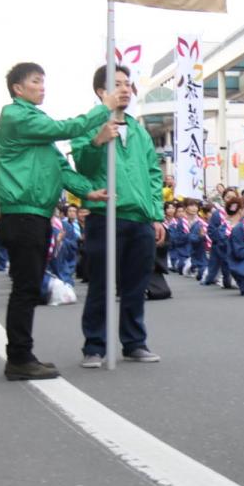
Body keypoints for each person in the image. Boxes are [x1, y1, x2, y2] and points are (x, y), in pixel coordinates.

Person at [0, 62, 114, 380]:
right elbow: (66, 128)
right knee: (25, 288)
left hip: (36, 214)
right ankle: (18, 358)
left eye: (44, 82)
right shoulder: (16, 116)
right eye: (36, 81)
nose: (42, 87)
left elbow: (62, 170)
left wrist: (91, 192)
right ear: (18, 88)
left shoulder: (37, 130)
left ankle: (22, 355)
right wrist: (103, 109)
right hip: (22, 214)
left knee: (29, 287)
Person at [72, 64, 166, 368]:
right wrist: (97, 141)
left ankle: (134, 342)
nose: (125, 89)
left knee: (136, 285)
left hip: (139, 218)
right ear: (102, 92)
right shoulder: (88, 125)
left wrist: (156, 214)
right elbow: (82, 168)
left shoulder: (139, 131)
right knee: (101, 283)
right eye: (118, 84)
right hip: (105, 215)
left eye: (128, 84)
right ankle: (94, 346)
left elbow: (153, 175)